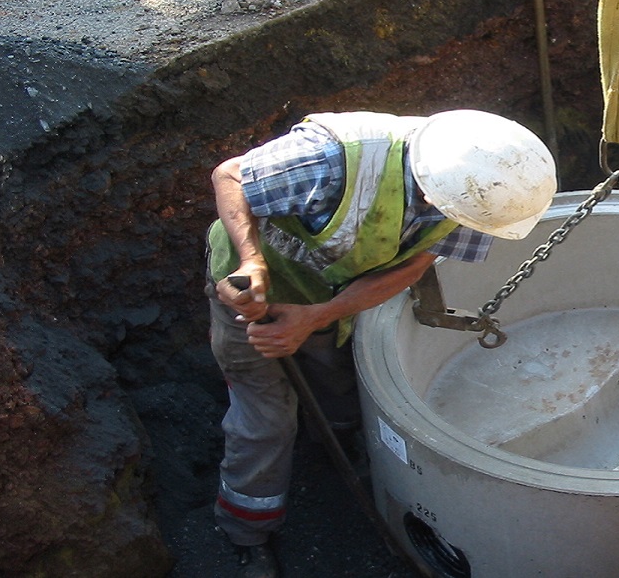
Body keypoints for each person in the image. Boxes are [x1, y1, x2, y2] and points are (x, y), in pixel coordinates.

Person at [204, 109, 557, 578]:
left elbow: (408, 269)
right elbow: (230, 175)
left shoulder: (485, 196)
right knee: (265, 424)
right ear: (435, 187)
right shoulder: (335, 159)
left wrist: (316, 318)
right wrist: (251, 264)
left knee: (342, 391)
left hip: (327, 302)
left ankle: (333, 445)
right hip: (251, 299)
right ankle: (246, 532)